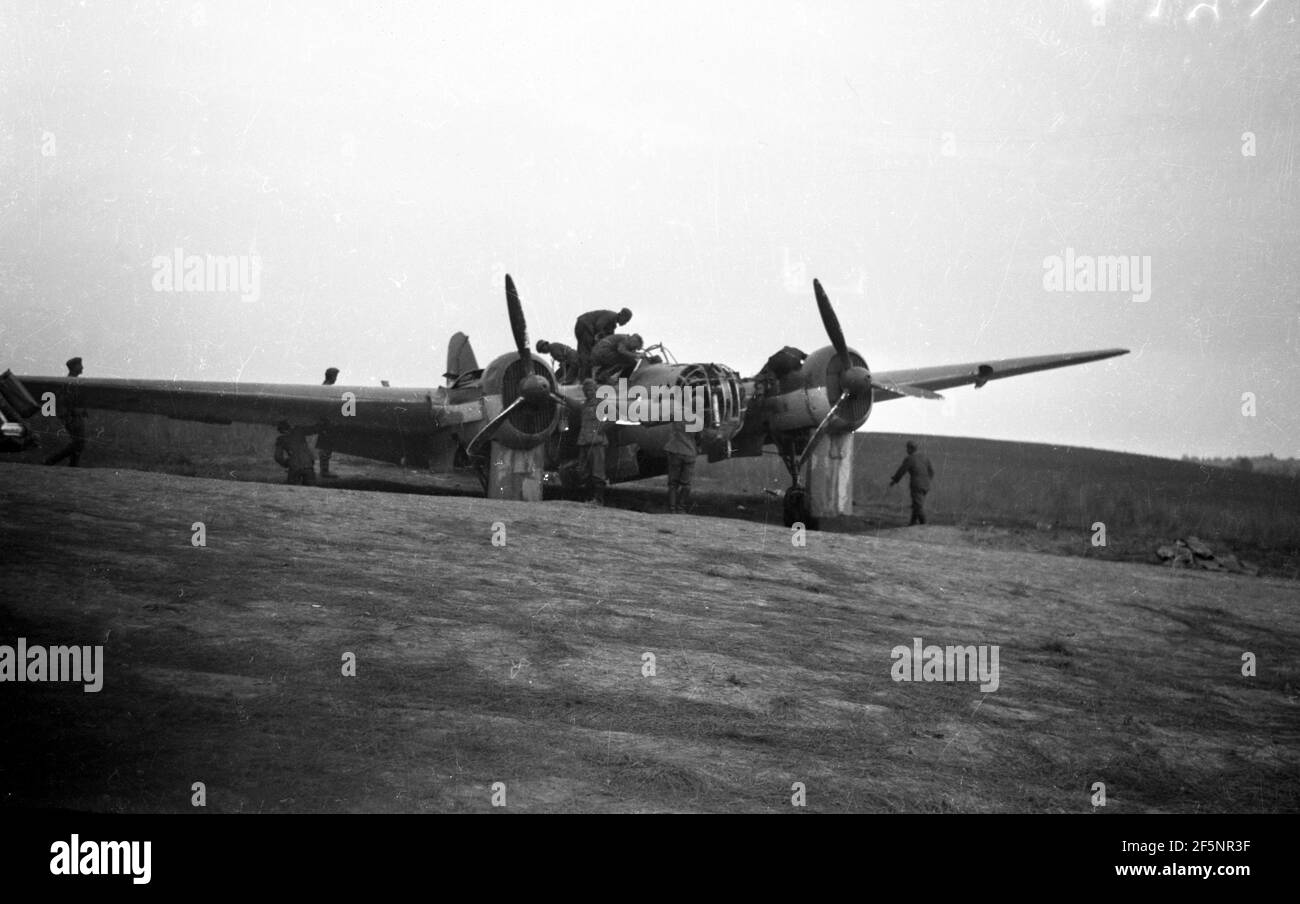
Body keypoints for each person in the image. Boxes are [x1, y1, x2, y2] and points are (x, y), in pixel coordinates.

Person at [44, 357, 87, 467]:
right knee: (79, 442)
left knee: (78, 442)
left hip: (73, 415)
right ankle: (52, 461)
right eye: (80, 365)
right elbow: (67, 401)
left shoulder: (72, 381)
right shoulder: (70, 382)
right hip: (71, 416)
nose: (82, 367)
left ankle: (73, 465)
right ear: (74, 367)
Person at [574, 378, 609, 504]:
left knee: (598, 472)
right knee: (584, 471)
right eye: (587, 390)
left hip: (597, 442)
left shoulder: (602, 404)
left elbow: (614, 417)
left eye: (592, 389)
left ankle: (598, 499)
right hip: (584, 441)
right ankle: (589, 497)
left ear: (596, 390)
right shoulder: (584, 405)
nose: (589, 392)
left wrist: (602, 429)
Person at [889, 440, 935, 525]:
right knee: (917, 504)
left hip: (917, 485)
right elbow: (932, 472)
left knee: (918, 505)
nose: (906, 450)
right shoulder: (925, 457)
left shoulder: (910, 458)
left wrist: (894, 481)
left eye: (907, 448)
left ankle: (924, 524)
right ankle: (912, 523)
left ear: (911, 449)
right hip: (926, 485)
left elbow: (901, 471)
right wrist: (927, 480)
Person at [574, 307, 632, 375]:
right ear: (622, 316)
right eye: (626, 320)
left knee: (587, 351)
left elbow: (609, 337)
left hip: (586, 327)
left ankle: (586, 375)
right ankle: (585, 377)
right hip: (585, 325)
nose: (625, 323)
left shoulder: (612, 323)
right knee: (586, 352)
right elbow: (599, 325)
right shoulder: (611, 316)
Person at [663, 412, 697, 514]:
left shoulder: (677, 414)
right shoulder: (698, 419)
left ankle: (672, 509)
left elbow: (659, 420)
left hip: (675, 450)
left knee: (673, 483)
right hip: (689, 453)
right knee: (686, 484)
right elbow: (700, 437)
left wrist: (645, 423)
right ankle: (681, 508)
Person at [274, 420, 317, 485]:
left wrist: (285, 463)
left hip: (294, 467)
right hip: (308, 465)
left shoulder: (281, 439)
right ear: (289, 427)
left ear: (281, 431)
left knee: (292, 489)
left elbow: (278, 456)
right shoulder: (299, 431)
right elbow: (313, 429)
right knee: (312, 490)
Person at [317, 367, 340, 478]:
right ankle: (324, 471)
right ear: (332, 376)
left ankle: (324, 471)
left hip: (325, 421)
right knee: (325, 447)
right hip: (325, 422)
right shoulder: (326, 388)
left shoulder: (324, 387)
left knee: (326, 447)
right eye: (335, 376)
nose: (336, 379)